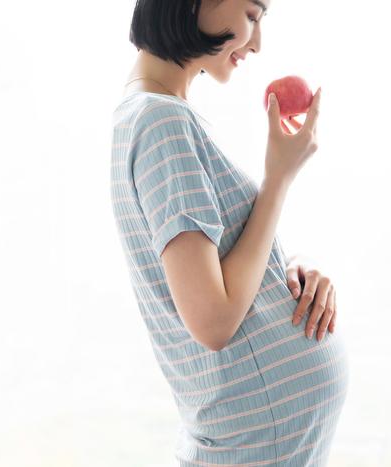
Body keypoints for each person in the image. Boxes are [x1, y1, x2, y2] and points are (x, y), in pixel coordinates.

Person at [110, 0, 350, 465]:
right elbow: (214, 320)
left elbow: (216, 272)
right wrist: (278, 180)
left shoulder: (158, 115)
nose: (256, 43)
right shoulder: (162, 123)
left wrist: (283, 273)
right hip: (252, 448)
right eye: (252, 16)